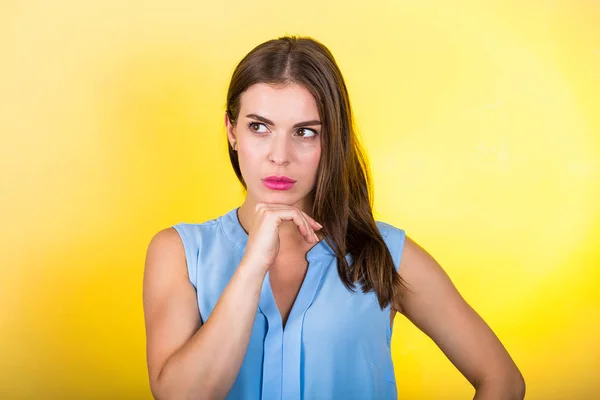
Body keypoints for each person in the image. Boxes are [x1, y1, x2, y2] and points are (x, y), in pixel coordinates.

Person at [142, 35, 525, 400]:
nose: (280, 155)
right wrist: (253, 264)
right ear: (232, 131)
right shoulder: (179, 253)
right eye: (259, 127)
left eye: (305, 132)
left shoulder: (387, 254)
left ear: (332, 140)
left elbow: (502, 379)